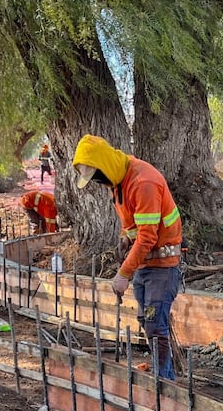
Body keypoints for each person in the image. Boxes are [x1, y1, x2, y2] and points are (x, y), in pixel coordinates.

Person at [71, 134, 183, 380]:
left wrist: (123, 274)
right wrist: (124, 237)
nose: (98, 183)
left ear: (105, 165)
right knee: (147, 319)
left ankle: (164, 382)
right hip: (145, 264)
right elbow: (131, 222)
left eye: (97, 176)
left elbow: (147, 237)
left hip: (161, 267)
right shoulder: (119, 180)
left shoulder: (143, 183)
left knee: (155, 323)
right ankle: (163, 374)